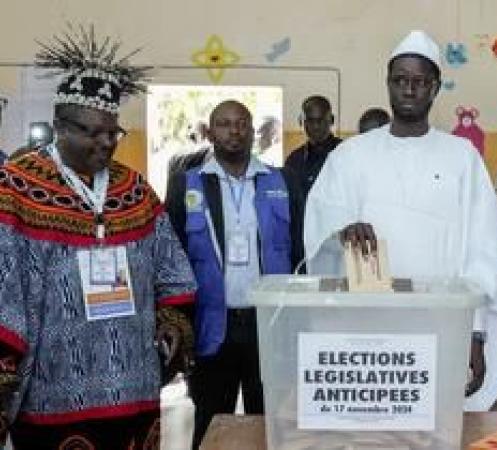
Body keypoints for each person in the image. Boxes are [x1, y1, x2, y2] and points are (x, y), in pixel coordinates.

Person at [304, 30, 497, 411]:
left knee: (435, 424)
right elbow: (321, 219)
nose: (409, 89)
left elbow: (482, 250)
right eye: (400, 80)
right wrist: (342, 230)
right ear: (388, 84)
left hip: (442, 328)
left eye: (420, 81)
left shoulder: (462, 158)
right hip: (367, 332)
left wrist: (477, 334)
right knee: (372, 426)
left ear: (435, 87)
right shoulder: (351, 155)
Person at [0, 25, 197, 449]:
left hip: (135, 390)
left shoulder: (134, 189)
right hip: (53, 395)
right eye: (93, 132)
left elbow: (173, 272)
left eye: (114, 132)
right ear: (59, 128)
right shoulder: (15, 189)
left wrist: (171, 322)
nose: (107, 143)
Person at [165, 100, 304, 448]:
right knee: (212, 421)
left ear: (252, 130)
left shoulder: (282, 180)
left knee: (271, 422)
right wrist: (178, 323)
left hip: (269, 325)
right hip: (212, 325)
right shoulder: (187, 185)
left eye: (241, 123)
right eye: (224, 124)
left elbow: (301, 249)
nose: (234, 131)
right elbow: (173, 256)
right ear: (211, 132)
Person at [284, 95, 342, 198]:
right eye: (310, 121)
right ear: (302, 122)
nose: (316, 126)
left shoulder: (346, 153)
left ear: (331, 120)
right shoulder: (294, 160)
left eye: (321, 121)